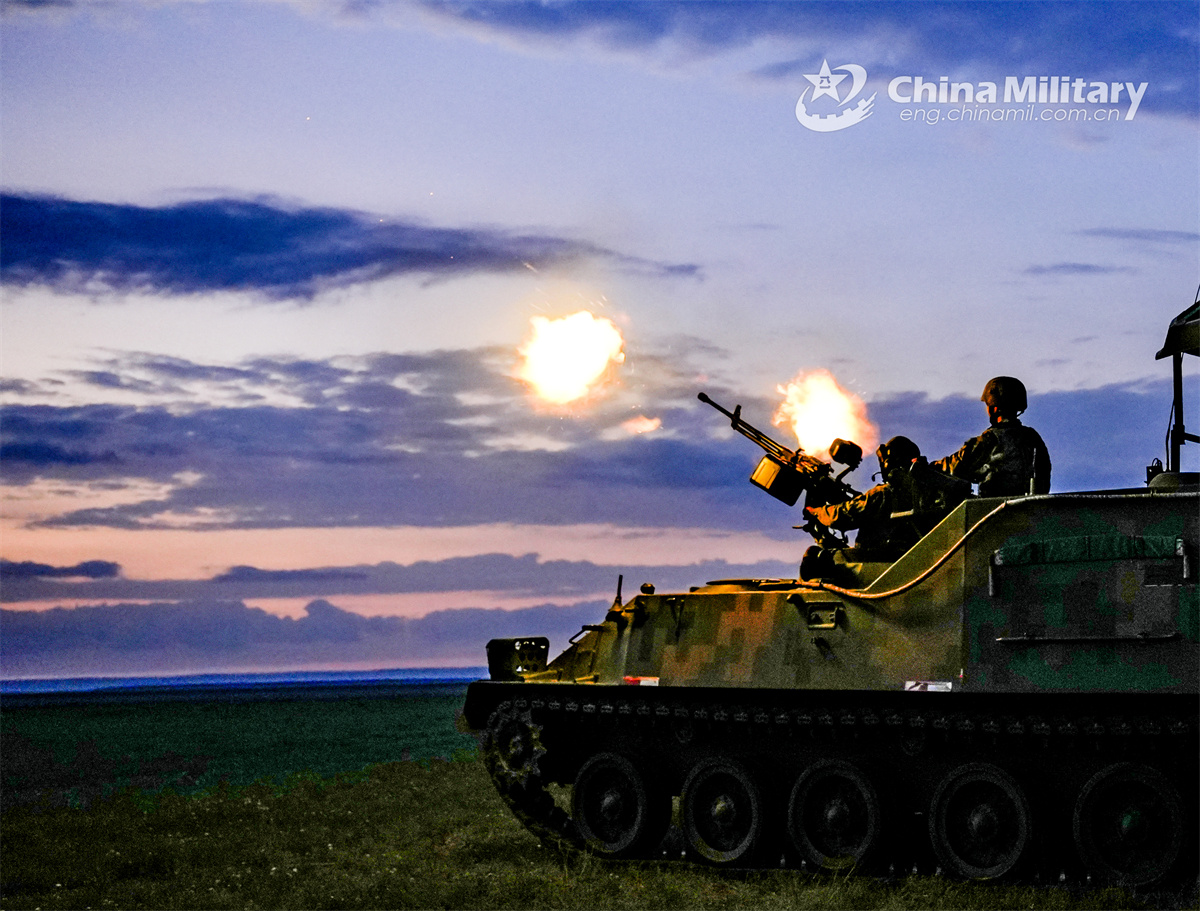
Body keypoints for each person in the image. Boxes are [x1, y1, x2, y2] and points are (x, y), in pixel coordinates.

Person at [802, 436, 925, 558]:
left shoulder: (885, 493)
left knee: (815, 557)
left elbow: (846, 514)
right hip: (911, 552)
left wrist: (816, 512)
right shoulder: (924, 485)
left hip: (883, 558)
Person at [933, 377, 1051, 497]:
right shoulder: (1033, 437)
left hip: (996, 506)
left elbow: (956, 467)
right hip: (1034, 504)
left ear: (994, 407)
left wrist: (928, 467)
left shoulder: (991, 438)